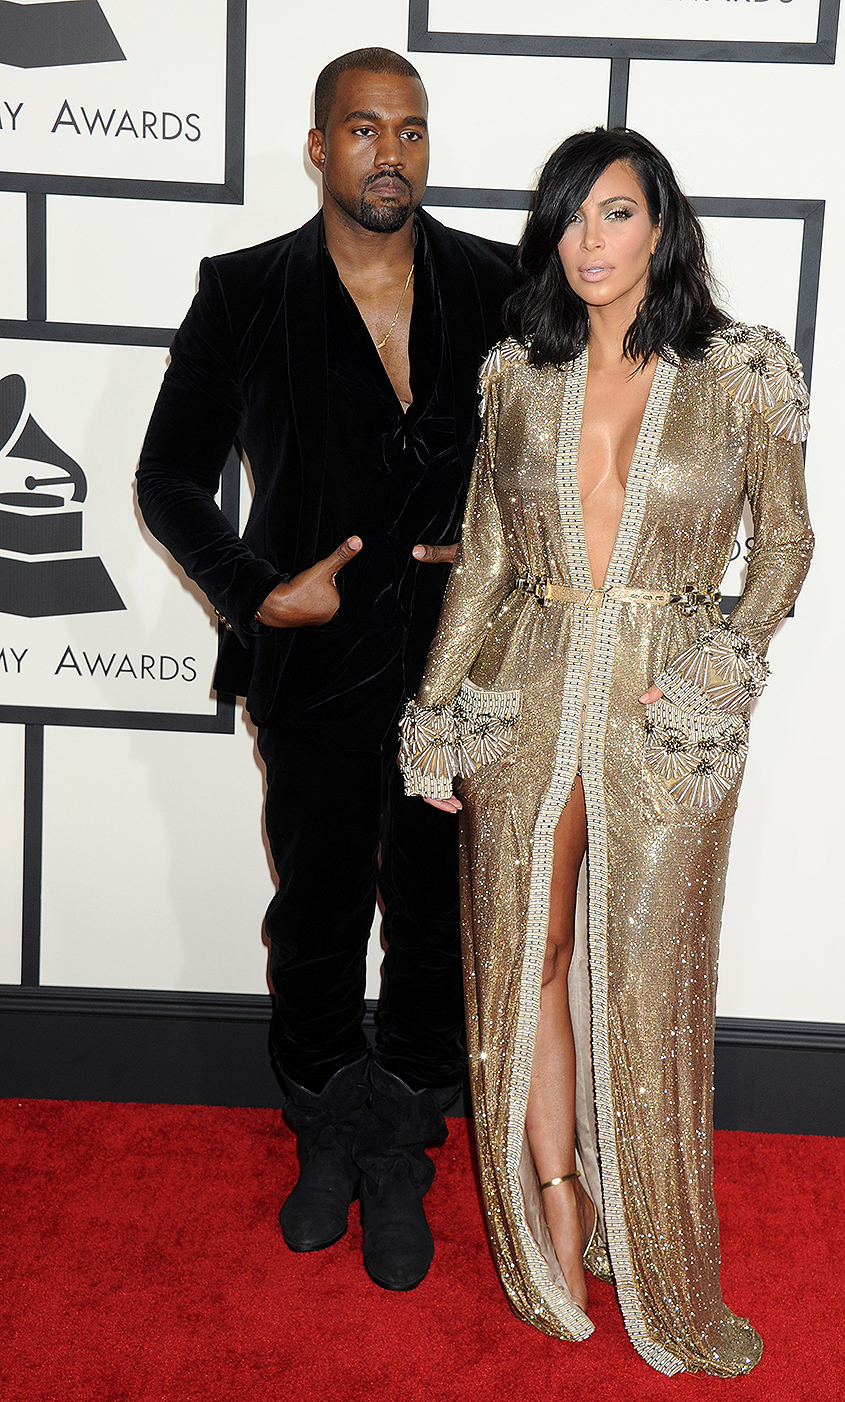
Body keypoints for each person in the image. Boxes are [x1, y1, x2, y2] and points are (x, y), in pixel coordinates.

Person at [400, 127, 813, 1374]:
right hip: (525, 691)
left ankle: (656, 1239)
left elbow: (784, 545)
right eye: (571, 215)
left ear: (660, 227)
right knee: (530, 949)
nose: (589, 240)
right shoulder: (513, 377)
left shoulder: (741, 370)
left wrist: (718, 672)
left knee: (646, 970)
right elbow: (480, 560)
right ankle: (559, 1201)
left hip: (664, 713)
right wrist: (432, 704)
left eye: (616, 213)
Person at [136, 48, 512, 1292]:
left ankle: (400, 1138)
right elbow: (169, 476)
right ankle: (324, 1128)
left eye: (410, 130)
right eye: (363, 128)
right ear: (317, 147)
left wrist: (502, 542)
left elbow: (569, 456)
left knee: (433, 921)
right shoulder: (243, 291)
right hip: (311, 669)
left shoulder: (498, 284)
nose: (390, 152)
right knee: (312, 917)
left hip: (459, 669)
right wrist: (254, 594)